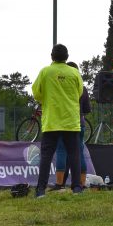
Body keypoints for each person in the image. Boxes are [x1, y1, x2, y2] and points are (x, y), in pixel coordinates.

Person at [32, 44, 83, 198]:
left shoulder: (45, 72)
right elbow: (79, 92)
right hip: (70, 120)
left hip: (52, 121)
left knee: (46, 156)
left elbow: (36, 92)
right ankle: (77, 188)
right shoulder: (74, 73)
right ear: (67, 57)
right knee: (74, 154)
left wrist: (45, 99)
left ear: (51, 56)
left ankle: (41, 190)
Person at [53, 61, 92, 190]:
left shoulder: (60, 86)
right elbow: (87, 109)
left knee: (61, 151)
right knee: (79, 151)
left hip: (61, 122)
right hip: (79, 122)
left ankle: (59, 184)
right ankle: (82, 183)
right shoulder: (83, 88)